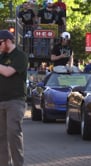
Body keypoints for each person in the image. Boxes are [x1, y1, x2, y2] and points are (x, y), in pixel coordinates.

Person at [0, 30, 28, 166]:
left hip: (15, 101)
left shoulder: (20, 56)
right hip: (1, 101)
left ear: (7, 41)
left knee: (13, 133)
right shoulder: (1, 57)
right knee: (1, 137)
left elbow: (7, 72)